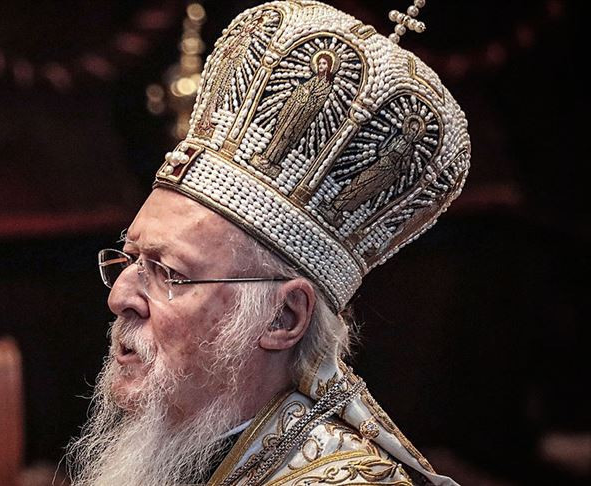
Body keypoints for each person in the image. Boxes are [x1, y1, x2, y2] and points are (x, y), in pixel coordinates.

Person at [67, 1, 469, 485]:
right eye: (131, 259)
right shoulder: (178, 448)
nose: (119, 297)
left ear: (284, 318)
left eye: (168, 273)